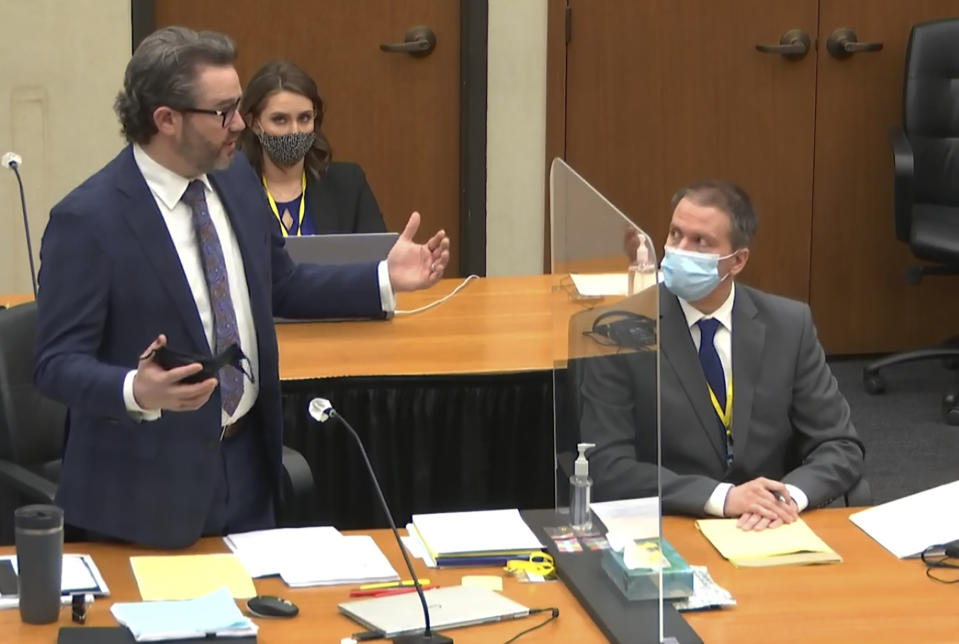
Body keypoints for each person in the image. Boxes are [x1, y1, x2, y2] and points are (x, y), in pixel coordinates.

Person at [33, 26, 449, 548]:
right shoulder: (89, 220)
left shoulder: (233, 182)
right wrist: (136, 390)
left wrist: (383, 277)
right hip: (146, 495)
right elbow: (54, 363)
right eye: (223, 112)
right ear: (166, 119)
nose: (239, 125)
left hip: (249, 465)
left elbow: (282, 286)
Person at [580, 180, 864, 531]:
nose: (679, 250)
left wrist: (786, 497)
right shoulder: (619, 332)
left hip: (769, 528)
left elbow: (839, 444)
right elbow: (606, 464)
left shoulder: (789, 326)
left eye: (700, 242)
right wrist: (723, 498)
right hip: (669, 524)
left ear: (737, 260)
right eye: (674, 234)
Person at [238, 59, 386, 236]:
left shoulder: (349, 185)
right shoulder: (232, 191)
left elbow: (376, 256)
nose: (295, 131)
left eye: (304, 118)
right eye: (280, 119)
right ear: (253, 123)